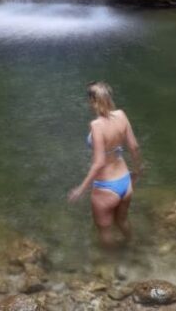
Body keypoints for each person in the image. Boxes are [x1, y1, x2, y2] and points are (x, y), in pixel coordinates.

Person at [68, 81, 142, 247]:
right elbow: (134, 147)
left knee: (105, 230)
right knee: (122, 221)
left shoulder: (96, 125)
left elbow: (99, 163)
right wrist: (137, 171)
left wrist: (81, 189)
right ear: (109, 97)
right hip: (125, 181)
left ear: (93, 101)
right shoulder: (122, 115)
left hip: (106, 187)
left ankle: (111, 262)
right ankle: (132, 247)